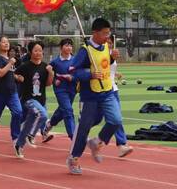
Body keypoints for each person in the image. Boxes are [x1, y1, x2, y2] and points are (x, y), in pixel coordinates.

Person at [66, 18, 123, 175]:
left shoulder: (105, 45)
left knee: (116, 120)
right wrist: (89, 74)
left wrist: (112, 57)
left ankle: (97, 142)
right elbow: (72, 71)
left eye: (108, 33)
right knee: (84, 127)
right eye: (105, 33)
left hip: (107, 92)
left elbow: (103, 62)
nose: (107, 36)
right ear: (95, 33)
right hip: (90, 95)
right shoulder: (85, 51)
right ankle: (74, 158)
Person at [13, 41, 54, 158]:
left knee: (29, 123)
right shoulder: (25, 66)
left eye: (40, 51)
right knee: (43, 114)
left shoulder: (45, 67)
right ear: (31, 52)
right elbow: (13, 74)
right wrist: (18, 77)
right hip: (28, 98)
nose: (38, 53)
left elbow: (48, 84)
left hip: (40, 99)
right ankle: (31, 135)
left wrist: (51, 73)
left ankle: (19, 145)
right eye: (36, 50)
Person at [97, 35, 133, 157]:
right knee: (93, 119)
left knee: (116, 119)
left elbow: (109, 69)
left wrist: (116, 73)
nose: (109, 43)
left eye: (110, 41)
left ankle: (121, 144)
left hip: (113, 90)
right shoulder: (99, 54)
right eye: (106, 40)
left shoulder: (112, 54)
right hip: (100, 91)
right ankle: (83, 137)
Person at [43, 38, 77, 141]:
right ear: (61, 48)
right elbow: (49, 75)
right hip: (60, 90)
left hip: (72, 89)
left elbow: (80, 74)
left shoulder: (76, 60)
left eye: (70, 45)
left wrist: (73, 78)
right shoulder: (55, 62)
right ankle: (73, 136)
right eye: (66, 45)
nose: (69, 47)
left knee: (63, 110)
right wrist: (54, 80)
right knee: (68, 110)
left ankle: (49, 124)